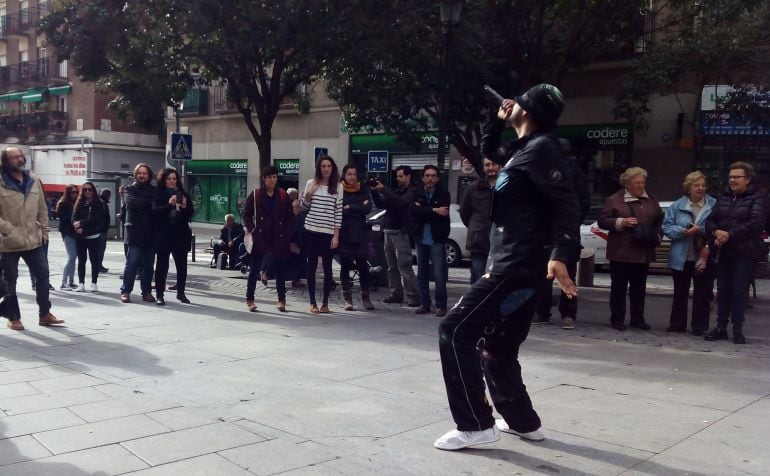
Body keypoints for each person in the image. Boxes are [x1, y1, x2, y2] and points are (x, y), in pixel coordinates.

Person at [434, 84, 579, 450]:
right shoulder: (526, 151)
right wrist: (495, 123)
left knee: (454, 331)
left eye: (518, 102)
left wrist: (561, 253)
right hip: (516, 263)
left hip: (516, 265)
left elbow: (567, 205)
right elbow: (488, 153)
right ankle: (522, 422)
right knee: (498, 346)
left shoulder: (543, 149)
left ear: (526, 111)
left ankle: (475, 424)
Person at [0, 146, 64, 330]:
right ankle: (13, 318)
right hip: (8, 243)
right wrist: (9, 231)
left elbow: (43, 209)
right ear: (5, 161)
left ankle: (44, 313)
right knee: (10, 281)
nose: (19, 159)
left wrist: (44, 231)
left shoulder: (34, 180)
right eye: (14, 157)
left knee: (43, 276)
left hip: (34, 241)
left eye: (20, 156)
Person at [704, 162, 768, 344]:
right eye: (730, 177)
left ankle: (738, 328)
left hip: (744, 252)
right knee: (723, 290)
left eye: (737, 177)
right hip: (723, 252)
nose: (732, 180)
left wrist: (729, 235)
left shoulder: (759, 197)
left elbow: (756, 223)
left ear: (747, 179)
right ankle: (721, 327)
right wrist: (716, 232)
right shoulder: (723, 197)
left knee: (739, 290)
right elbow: (710, 221)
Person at [533, 139, 591, 329]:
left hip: (559, 230)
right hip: (562, 229)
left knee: (551, 274)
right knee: (563, 274)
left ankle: (547, 312)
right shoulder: (564, 172)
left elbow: (581, 203)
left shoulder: (565, 173)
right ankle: (565, 314)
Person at [597, 167, 663, 331]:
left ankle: (637, 319)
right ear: (627, 184)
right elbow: (602, 221)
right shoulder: (614, 200)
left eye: (643, 182)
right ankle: (617, 319)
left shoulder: (651, 199)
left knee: (639, 289)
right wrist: (621, 222)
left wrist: (657, 236)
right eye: (637, 183)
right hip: (621, 252)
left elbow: (659, 220)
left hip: (643, 251)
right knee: (619, 288)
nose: (641, 186)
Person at [662, 171, 716, 336]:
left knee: (703, 293)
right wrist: (683, 231)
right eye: (696, 185)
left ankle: (699, 326)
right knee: (680, 292)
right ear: (688, 187)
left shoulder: (714, 205)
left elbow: (719, 225)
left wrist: (701, 229)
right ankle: (677, 324)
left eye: (703, 185)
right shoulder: (677, 206)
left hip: (704, 256)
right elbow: (667, 228)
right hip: (681, 256)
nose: (700, 188)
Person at [243, 166, 295, 312]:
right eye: (269, 177)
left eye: (274, 177)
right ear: (264, 179)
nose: (272, 180)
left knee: (280, 270)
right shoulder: (256, 195)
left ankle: (281, 299)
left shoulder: (283, 195)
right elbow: (246, 214)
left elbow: (290, 216)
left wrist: (286, 231)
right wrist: (252, 229)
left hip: (278, 236)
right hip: (261, 236)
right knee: (254, 269)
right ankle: (250, 299)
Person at [371, 165, 420, 307]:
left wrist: (383, 189)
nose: (398, 178)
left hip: (401, 232)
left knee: (404, 265)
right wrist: (374, 191)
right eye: (397, 176)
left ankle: (413, 296)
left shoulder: (412, 191)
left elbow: (402, 202)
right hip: (388, 231)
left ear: (408, 176)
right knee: (391, 267)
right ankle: (396, 294)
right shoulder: (395, 190)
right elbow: (382, 204)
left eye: (401, 176)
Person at [299, 155, 342, 314]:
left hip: (328, 232)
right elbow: (303, 207)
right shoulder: (312, 183)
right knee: (311, 267)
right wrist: (309, 193)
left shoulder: (338, 187)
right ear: (319, 168)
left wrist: (336, 235)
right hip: (311, 230)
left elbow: (338, 213)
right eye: (323, 166)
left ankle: (325, 303)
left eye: (329, 166)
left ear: (333, 168)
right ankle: (312, 302)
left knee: (328, 268)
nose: (326, 169)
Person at [411, 164, 450, 317]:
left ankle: (441, 305)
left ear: (437, 178)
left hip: (437, 238)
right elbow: (414, 211)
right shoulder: (417, 193)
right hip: (421, 237)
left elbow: (444, 213)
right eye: (427, 176)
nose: (430, 179)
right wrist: (434, 210)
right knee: (422, 272)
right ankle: (424, 303)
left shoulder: (443, 194)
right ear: (422, 178)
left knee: (439, 273)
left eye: (433, 176)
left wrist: (424, 210)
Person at [152, 168, 194, 306]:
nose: (171, 181)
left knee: (182, 266)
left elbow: (190, 213)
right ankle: (159, 294)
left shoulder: (182, 194)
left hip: (180, 234)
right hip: (164, 234)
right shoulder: (158, 194)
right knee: (162, 265)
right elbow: (155, 212)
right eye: (169, 179)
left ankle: (181, 292)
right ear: (164, 180)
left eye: (174, 179)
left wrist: (184, 207)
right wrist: (169, 205)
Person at [459, 158, 501, 284]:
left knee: (498, 280)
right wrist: (475, 227)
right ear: (483, 168)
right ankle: (476, 304)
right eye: (487, 165)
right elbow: (464, 212)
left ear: (500, 166)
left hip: (500, 243)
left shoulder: (507, 187)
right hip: (479, 242)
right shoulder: (473, 188)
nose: (490, 167)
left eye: (494, 164)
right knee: (477, 278)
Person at [339, 164, 374, 311]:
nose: (352, 177)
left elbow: (367, 208)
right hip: (345, 232)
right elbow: (339, 210)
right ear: (344, 176)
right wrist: (357, 206)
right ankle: (347, 298)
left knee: (362, 265)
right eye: (349, 174)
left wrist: (350, 207)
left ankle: (366, 296)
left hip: (360, 233)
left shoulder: (363, 189)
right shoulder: (339, 189)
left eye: (354, 174)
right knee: (345, 265)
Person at [120, 163, 157, 304]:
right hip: (134, 233)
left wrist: (142, 203)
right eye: (139, 173)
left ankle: (146, 292)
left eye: (144, 173)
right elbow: (131, 203)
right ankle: (125, 291)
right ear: (135, 175)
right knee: (131, 264)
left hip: (150, 232)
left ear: (149, 175)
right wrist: (146, 203)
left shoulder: (154, 190)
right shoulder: (128, 189)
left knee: (148, 265)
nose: (142, 175)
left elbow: (153, 206)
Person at [72, 181, 109, 292]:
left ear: (93, 191)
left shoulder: (99, 203)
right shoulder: (79, 202)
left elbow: (97, 219)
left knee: (94, 260)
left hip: (93, 236)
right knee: (81, 260)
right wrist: (77, 227)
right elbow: (73, 217)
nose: (87, 192)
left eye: (90, 189)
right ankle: (81, 283)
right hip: (80, 236)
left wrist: (81, 224)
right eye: (85, 190)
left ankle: (94, 283)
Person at [56, 184, 79, 290]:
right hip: (67, 232)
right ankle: (64, 282)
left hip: (75, 233)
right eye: (73, 192)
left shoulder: (76, 203)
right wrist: (73, 216)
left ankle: (71, 281)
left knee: (74, 257)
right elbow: (62, 219)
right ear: (68, 193)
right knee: (72, 256)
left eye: (76, 192)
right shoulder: (63, 203)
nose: (75, 194)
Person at [97, 188, 112, 273]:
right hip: (101, 230)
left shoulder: (102, 202)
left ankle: (99, 265)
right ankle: (98, 266)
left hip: (101, 229)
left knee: (101, 249)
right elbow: (102, 217)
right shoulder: (102, 203)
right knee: (100, 249)